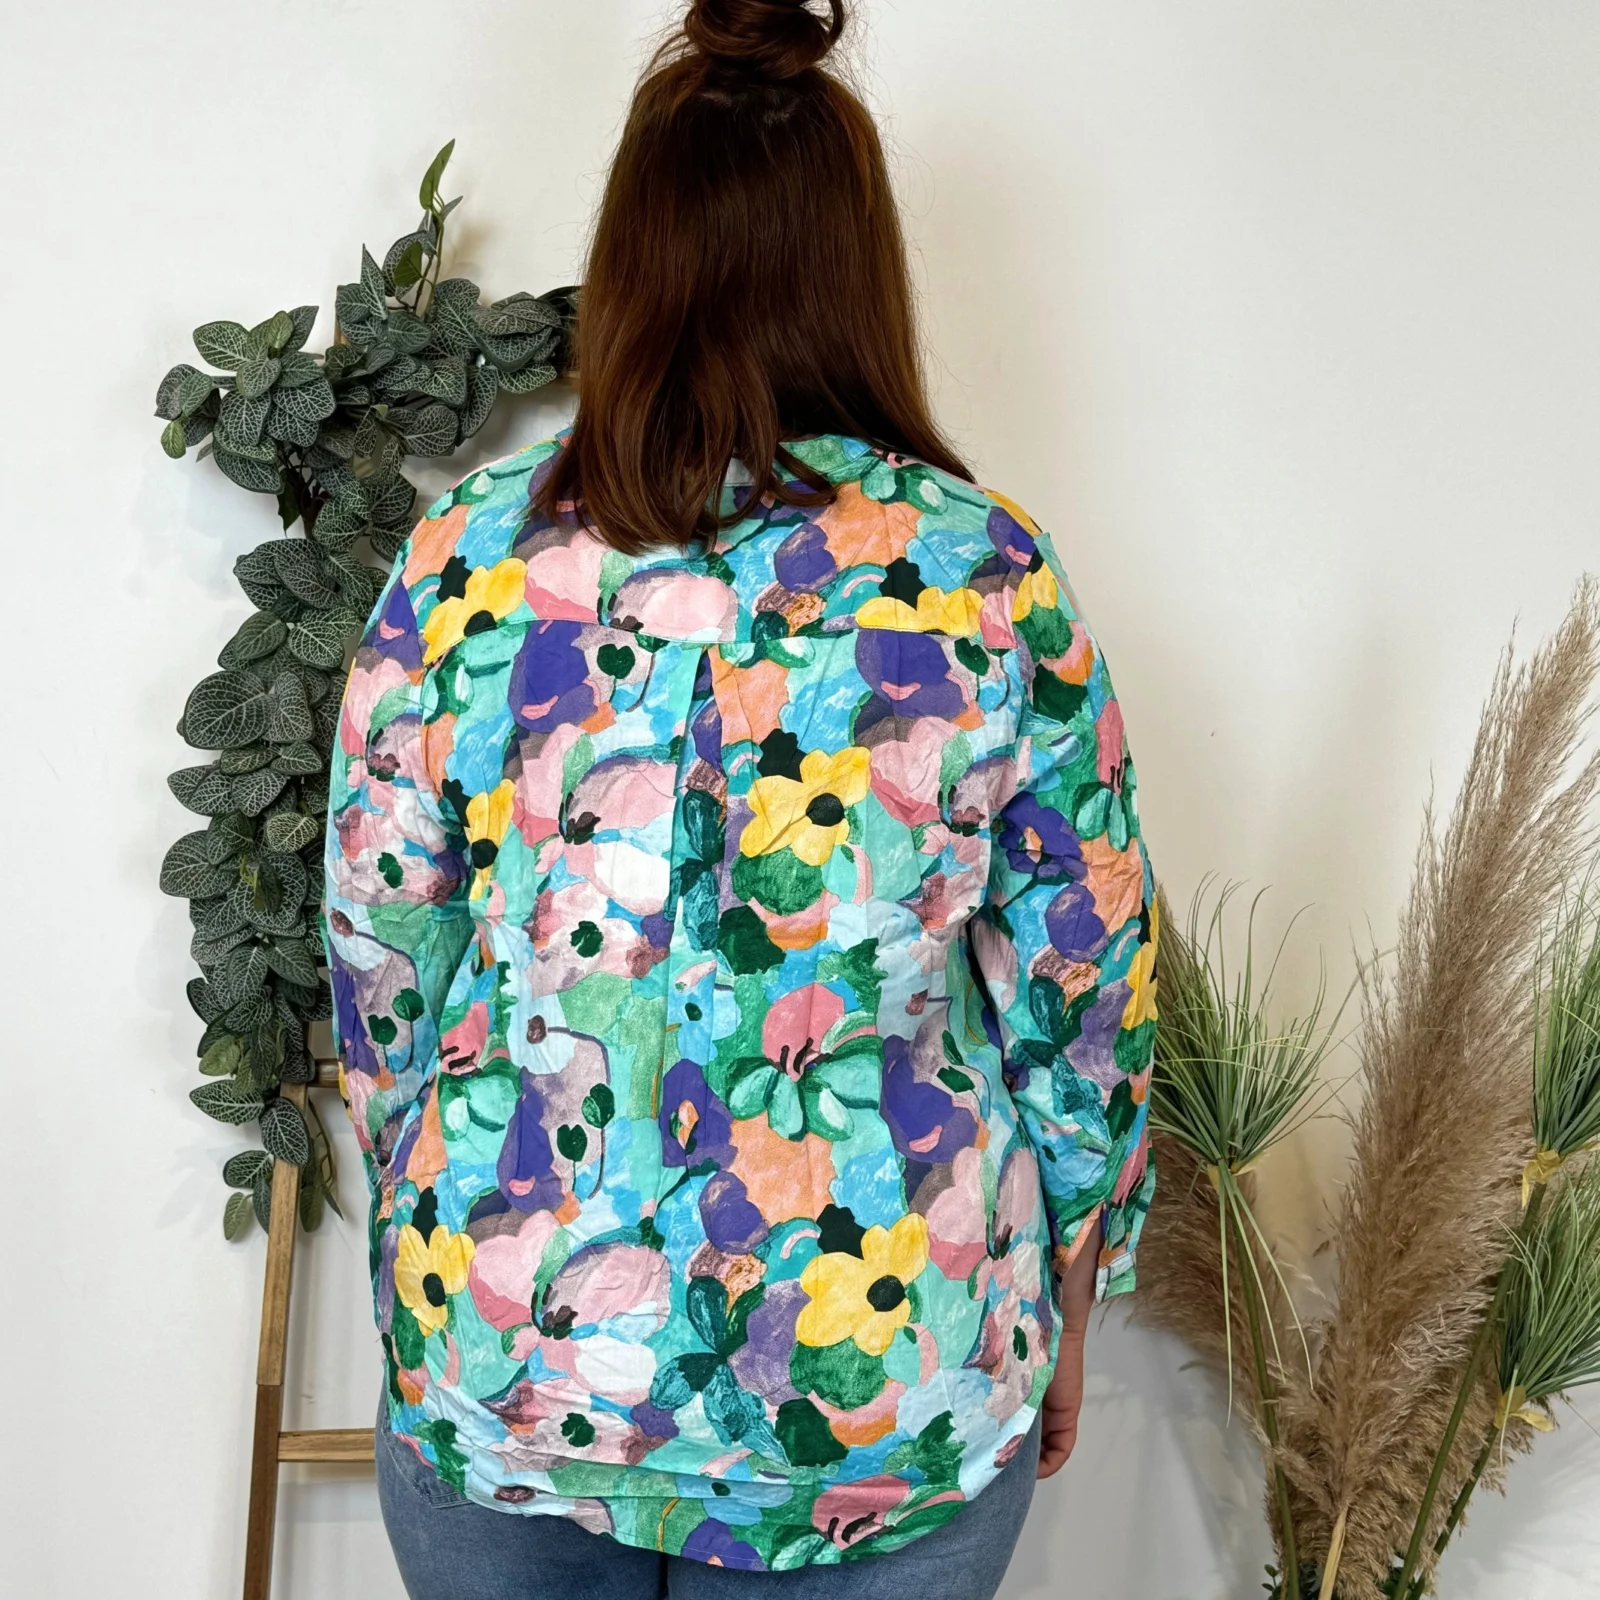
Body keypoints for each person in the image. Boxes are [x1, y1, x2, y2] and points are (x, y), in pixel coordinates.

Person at [321, 1, 1158, 1594]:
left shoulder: (466, 564)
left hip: (514, 1366)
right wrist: (1073, 1285)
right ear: (859, 271)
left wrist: (432, 1238)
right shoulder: (984, 581)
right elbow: (1084, 995)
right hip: (885, 1398)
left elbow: (381, 968)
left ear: (632, 266)